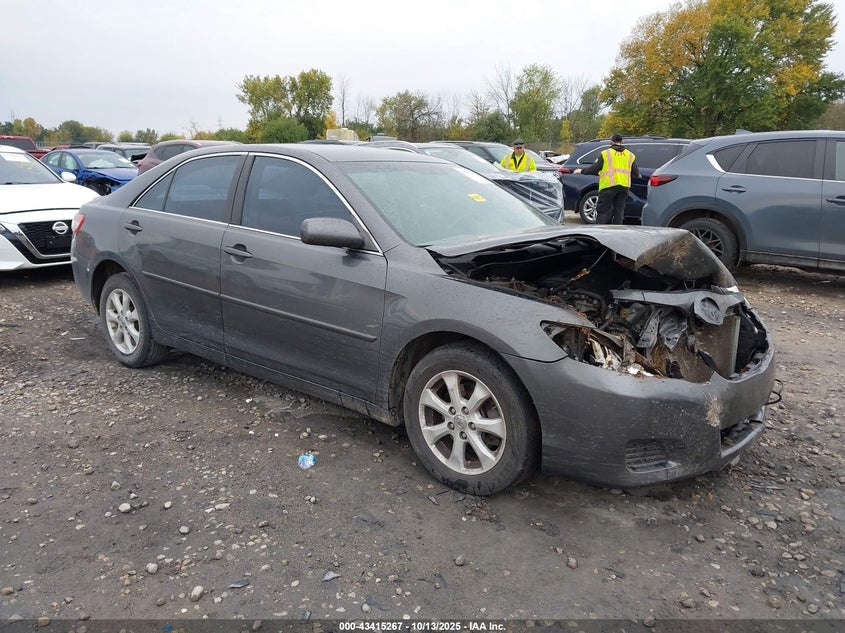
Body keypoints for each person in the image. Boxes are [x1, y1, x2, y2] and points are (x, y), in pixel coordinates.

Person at [574, 133, 639, 224]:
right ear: (621, 141)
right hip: (624, 187)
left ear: (611, 142)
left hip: (608, 186)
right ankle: (616, 233)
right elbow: (636, 173)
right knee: (619, 212)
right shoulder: (630, 155)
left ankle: (600, 231)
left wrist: (581, 171)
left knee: (603, 211)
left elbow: (595, 168)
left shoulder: (606, 153)